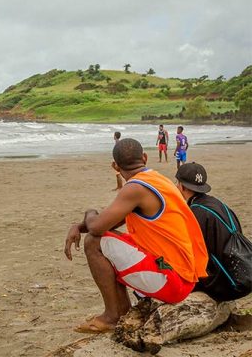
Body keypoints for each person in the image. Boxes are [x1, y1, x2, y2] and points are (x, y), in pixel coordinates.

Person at [64, 138, 208, 333]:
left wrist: (89, 212)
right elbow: (109, 223)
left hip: (173, 281)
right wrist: (80, 225)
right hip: (184, 275)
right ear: (145, 158)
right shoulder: (157, 180)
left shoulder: (135, 188)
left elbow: (96, 228)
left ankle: (112, 316)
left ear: (115, 166)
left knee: (93, 243)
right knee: (107, 239)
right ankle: (121, 310)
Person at [175, 162, 249, 301]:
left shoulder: (195, 213)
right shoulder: (217, 203)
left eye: (177, 183)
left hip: (227, 284)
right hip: (239, 273)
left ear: (182, 186)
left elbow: (190, 255)